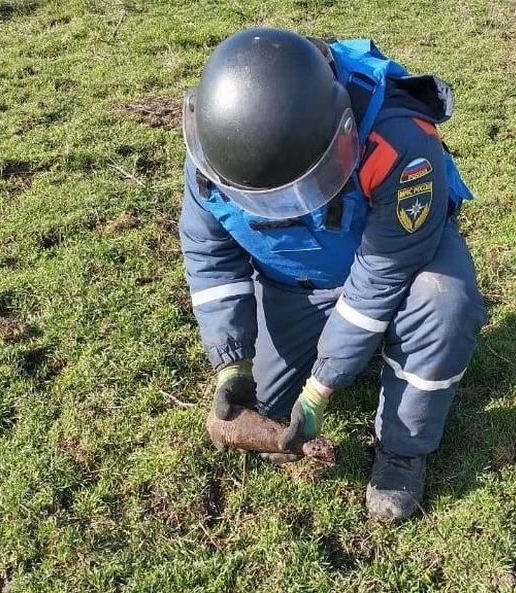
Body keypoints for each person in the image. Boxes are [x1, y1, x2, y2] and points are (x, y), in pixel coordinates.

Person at [179, 28, 487, 521]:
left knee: (442, 301)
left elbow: (383, 274)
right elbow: (210, 259)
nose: (280, 210)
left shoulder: (400, 140)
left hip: (398, 267)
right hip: (294, 283)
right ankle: (316, 353)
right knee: (268, 408)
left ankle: (403, 449)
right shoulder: (217, 149)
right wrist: (231, 362)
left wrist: (321, 386)